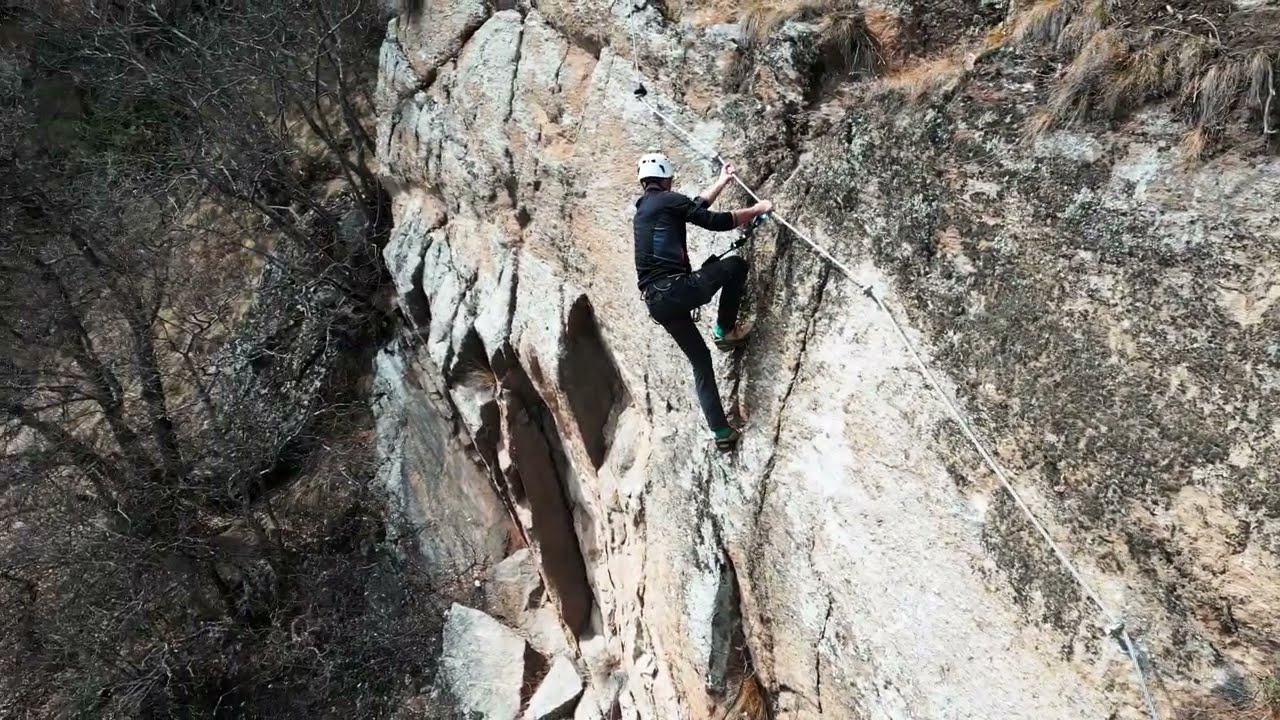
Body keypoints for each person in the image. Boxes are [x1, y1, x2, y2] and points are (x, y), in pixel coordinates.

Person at [632, 151, 773, 452]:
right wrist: (757, 209)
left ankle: (721, 432)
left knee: (700, 361)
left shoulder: (646, 209)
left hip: (657, 301)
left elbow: (694, 207)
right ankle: (725, 331)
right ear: (666, 177)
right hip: (676, 289)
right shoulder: (667, 202)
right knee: (736, 266)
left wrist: (722, 181)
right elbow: (715, 221)